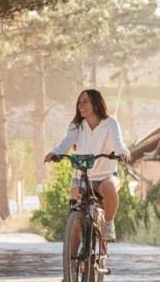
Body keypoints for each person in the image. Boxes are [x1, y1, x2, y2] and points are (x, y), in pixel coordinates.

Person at [44, 88, 129, 242]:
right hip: (81, 177)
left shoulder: (110, 123)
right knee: (75, 223)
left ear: (96, 103)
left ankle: (108, 224)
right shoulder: (76, 125)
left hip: (105, 176)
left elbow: (118, 142)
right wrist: (56, 152)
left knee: (110, 189)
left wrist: (123, 152)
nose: (80, 106)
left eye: (85, 102)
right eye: (79, 102)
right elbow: (66, 142)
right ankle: (72, 256)